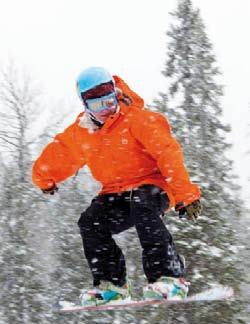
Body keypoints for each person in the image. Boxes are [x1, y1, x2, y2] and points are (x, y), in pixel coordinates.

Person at [32, 66, 202, 305]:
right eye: (97, 106)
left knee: (142, 203)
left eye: (110, 102)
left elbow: (168, 154)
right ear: (85, 105)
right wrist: (44, 178)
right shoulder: (83, 133)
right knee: (90, 222)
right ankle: (111, 285)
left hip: (154, 185)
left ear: (117, 94)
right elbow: (60, 154)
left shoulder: (139, 120)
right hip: (115, 193)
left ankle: (169, 277)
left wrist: (186, 194)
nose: (106, 110)